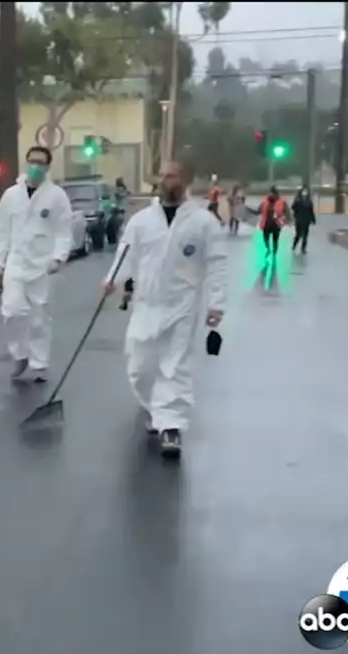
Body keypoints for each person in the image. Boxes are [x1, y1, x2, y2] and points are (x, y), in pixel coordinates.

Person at [102, 160, 228, 458]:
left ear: (184, 180)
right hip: (146, 305)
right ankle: (155, 408)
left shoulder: (203, 222)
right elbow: (125, 256)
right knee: (139, 366)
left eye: (171, 175)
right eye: (163, 176)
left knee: (175, 366)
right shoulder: (142, 220)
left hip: (182, 306)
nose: (165, 180)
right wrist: (111, 281)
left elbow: (217, 264)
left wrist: (216, 304)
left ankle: (171, 426)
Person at [0, 146, 74, 383]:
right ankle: (19, 354)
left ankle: (39, 363)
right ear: (25, 163)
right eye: (32, 161)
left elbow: (64, 230)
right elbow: (2, 230)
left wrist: (58, 257)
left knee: (38, 318)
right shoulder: (11, 195)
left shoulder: (56, 196)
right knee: (12, 311)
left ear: (48, 166)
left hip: (42, 266)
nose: (36, 166)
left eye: (41, 163)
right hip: (16, 263)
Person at [259, 186, 289, 257]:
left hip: (276, 224)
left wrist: (287, 219)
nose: (272, 195)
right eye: (271, 193)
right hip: (266, 223)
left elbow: (286, 211)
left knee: (275, 239)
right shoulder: (264, 202)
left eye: (273, 194)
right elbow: (259, 210)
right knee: (265, 238)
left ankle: (274, 251)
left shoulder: (282, 202)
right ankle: (268, 248)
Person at [291, 187, 316, 254]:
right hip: (299, 220)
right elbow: (293, 207)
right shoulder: (297, 200)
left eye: (306, 192)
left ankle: (303, 248)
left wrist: (313, 219)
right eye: (303, 192)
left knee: (305, 235)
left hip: (306, 220)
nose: (305, 193)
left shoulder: (309, 201)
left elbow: (311, 211)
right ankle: (294, 245)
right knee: (298, 234)